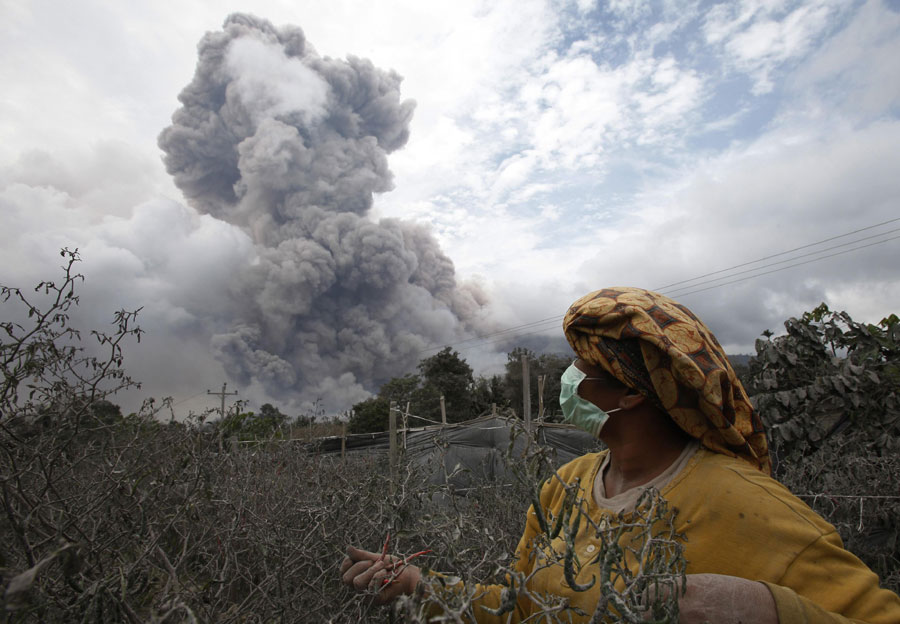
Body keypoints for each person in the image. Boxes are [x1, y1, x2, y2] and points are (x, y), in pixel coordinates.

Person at [341, 287, 900, 622]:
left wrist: (775, 613)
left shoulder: (752, 508)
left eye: (580, 368)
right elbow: (520, 608)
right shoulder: (566, 487)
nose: (567, 379)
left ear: (632, 391)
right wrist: (422, 587)